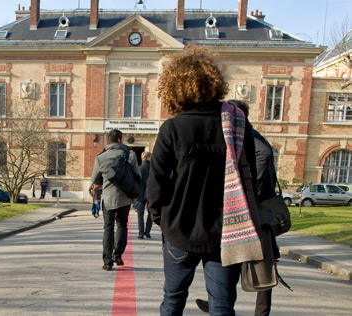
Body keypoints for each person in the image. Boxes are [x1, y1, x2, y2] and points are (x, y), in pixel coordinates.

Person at [147, 46, 259, 316]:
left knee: (173, 301)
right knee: (221, 306)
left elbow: (156, 184)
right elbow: (251, 177)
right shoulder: (237, 124)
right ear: (214, 82)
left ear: (174, 87)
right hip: (226, 231)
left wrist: (163, 219)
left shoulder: (172, 128)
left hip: (180, 230)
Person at [195, 99, 281, 316]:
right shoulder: (243, 134)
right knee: (234, 258)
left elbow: (264, 155)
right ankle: (219, 300)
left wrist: (249, 190)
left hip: (257, 208)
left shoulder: (247, 135)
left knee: (262, 262)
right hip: (255, 206)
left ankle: (259, 312)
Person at [91, 129, 141, 271]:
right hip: (125, 198)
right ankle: (117, 255)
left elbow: (95, 179)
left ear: (109, 140)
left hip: (108, 198)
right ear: (120, 139)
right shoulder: (129, 154)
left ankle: (107, 262)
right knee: (122, 225)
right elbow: (137, 175)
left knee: (108, 228)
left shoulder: (101, 157)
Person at [135, 151, 153, 239]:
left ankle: (141, 233)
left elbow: (136, 182)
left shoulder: (139, 169)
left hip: (141, 194)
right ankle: (147, 231)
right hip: (151, 193)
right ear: (148, 158)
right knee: (151, 213)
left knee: (140, 214)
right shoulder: (153, 169)